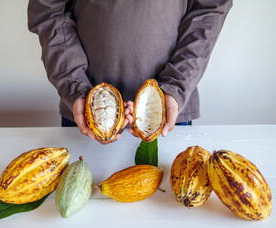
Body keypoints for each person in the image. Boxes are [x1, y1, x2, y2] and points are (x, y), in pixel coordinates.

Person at [28, 0, 232, 144]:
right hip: (85, 109)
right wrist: (73, 84)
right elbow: (48, 8)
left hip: (170, 111)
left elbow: (209, 8)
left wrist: (178, 84)